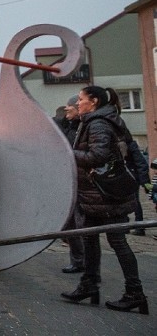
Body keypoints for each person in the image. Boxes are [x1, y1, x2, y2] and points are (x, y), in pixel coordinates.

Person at [61, 85, 148, 315]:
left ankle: (135, 293)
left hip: (106, 195)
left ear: (94, 101)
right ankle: (89, 285)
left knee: (118, 241)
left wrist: (67, 152)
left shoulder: (98, 123)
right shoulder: (98, 120)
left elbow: (97, 156)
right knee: (90, 239)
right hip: (97, 195)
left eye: (81, 99)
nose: (78, 103)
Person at [57, 96, 85, 274]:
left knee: (80, 225)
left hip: (81, 183)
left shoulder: (82, 127)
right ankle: (78, 260)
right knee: (68, 225)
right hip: (67, 181)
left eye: (70, 107)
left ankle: (83, 262)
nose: (66, 110)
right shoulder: (67, 126)